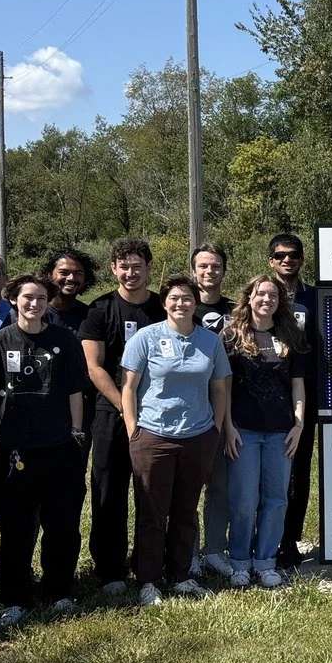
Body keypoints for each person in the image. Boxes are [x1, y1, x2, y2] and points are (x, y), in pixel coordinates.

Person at [0, 274, 88, 624]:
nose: (34, 304)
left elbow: (75, 390)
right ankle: (15, 597)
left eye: (41, 298)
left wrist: (75, 433)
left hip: (59, 448)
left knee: (63, 525)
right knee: (16, 528)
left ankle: (59, 591)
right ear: (13, 300)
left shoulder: (65, 340)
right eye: (27, 297)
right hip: (14, 450)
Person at [121, 273, 229, 605]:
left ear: (196, 303)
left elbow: (220, 387)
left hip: (198, 436)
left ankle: (181, 575)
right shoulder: (146, 337)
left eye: (186, 298)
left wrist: (216, 431)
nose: (180, 303)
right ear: (164, 302)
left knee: (185, 510)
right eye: (174, 298)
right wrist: (133, 431)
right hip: (153, 436)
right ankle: (149, 580)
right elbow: (128, 387)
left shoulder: (210, 341)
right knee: (153, 511)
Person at [80, 238, 166, 592]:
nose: (130, 273)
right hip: (111, 411)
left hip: (159, 413)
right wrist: (123, 405)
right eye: (123, 266)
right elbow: (94, 367)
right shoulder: (99, 310)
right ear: (114, 269)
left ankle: (151, 563)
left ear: (148, 267)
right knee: (108, 490)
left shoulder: (163, 308)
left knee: (153, 491)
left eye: (137, 266)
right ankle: (111, 570)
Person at [221, 274, 308, 587]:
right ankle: (240, 561)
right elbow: (224, 388)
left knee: (276, 499)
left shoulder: (289, 335)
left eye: (273, 296)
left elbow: (298, 386)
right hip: (243, 430)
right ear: (249, 297)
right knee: (243, 501)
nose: (267, 300)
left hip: (280, 432)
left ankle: (266, 561)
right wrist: (227, 427)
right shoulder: (231, 335)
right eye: (261, 294)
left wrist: (298, 424)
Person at [267, 234, 318, 570]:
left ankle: (290, 540)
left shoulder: (314, 297)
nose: (288, 260)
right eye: (281, 255)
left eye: (294, 255)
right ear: (271, 260)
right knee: (269, 471)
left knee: (299, 471)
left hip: (307, 392)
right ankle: (266, 538)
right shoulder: (262, 294)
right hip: (267, 394)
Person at [190, 243, 235, 577]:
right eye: (203, 266)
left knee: (219, 486)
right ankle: (189, 552)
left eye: (215, 266)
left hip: (224, 409)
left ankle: (216, 549)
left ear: (223, 270)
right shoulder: (180, 309)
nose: (209, 272)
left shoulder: (238, 311)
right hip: (187, 411)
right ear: (194, 271)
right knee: (187, 487)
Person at [45, 248, 96, 334]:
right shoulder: (37, 312)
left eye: (78, 273)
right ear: (50, 275)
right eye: (64, 273)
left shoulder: (90, 316)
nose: (71, 278)